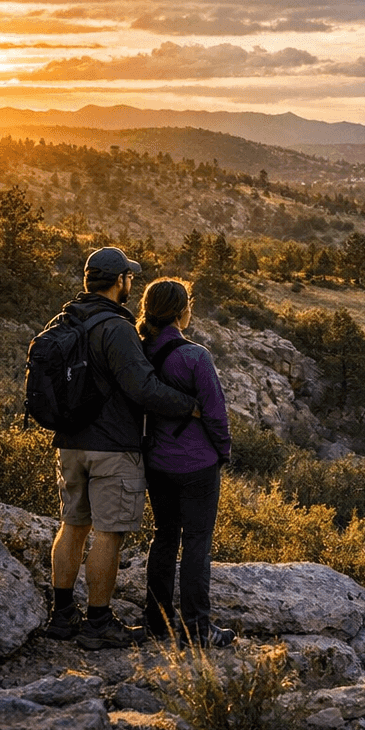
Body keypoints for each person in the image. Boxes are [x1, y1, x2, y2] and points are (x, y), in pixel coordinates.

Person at [47, 247, 200, 649]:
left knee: (72, 526)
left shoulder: (65, 318)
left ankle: (61, 616)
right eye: (129, 277)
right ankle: (98, 622)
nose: (130, 283)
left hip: (69, 443)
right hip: (112, 446)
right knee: (109, 533)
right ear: (120, 282)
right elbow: (143, 388)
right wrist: (190, 406)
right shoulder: (117, 328)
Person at [137, 278, 235, 647]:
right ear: (182, 312)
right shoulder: (195, 356)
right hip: (196, 465)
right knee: (196, 543)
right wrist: (222, 452)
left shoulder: (139, 352)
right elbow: (216, 414)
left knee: (163, 537)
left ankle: (158, 623)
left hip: (157, 462)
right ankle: (198, 629)